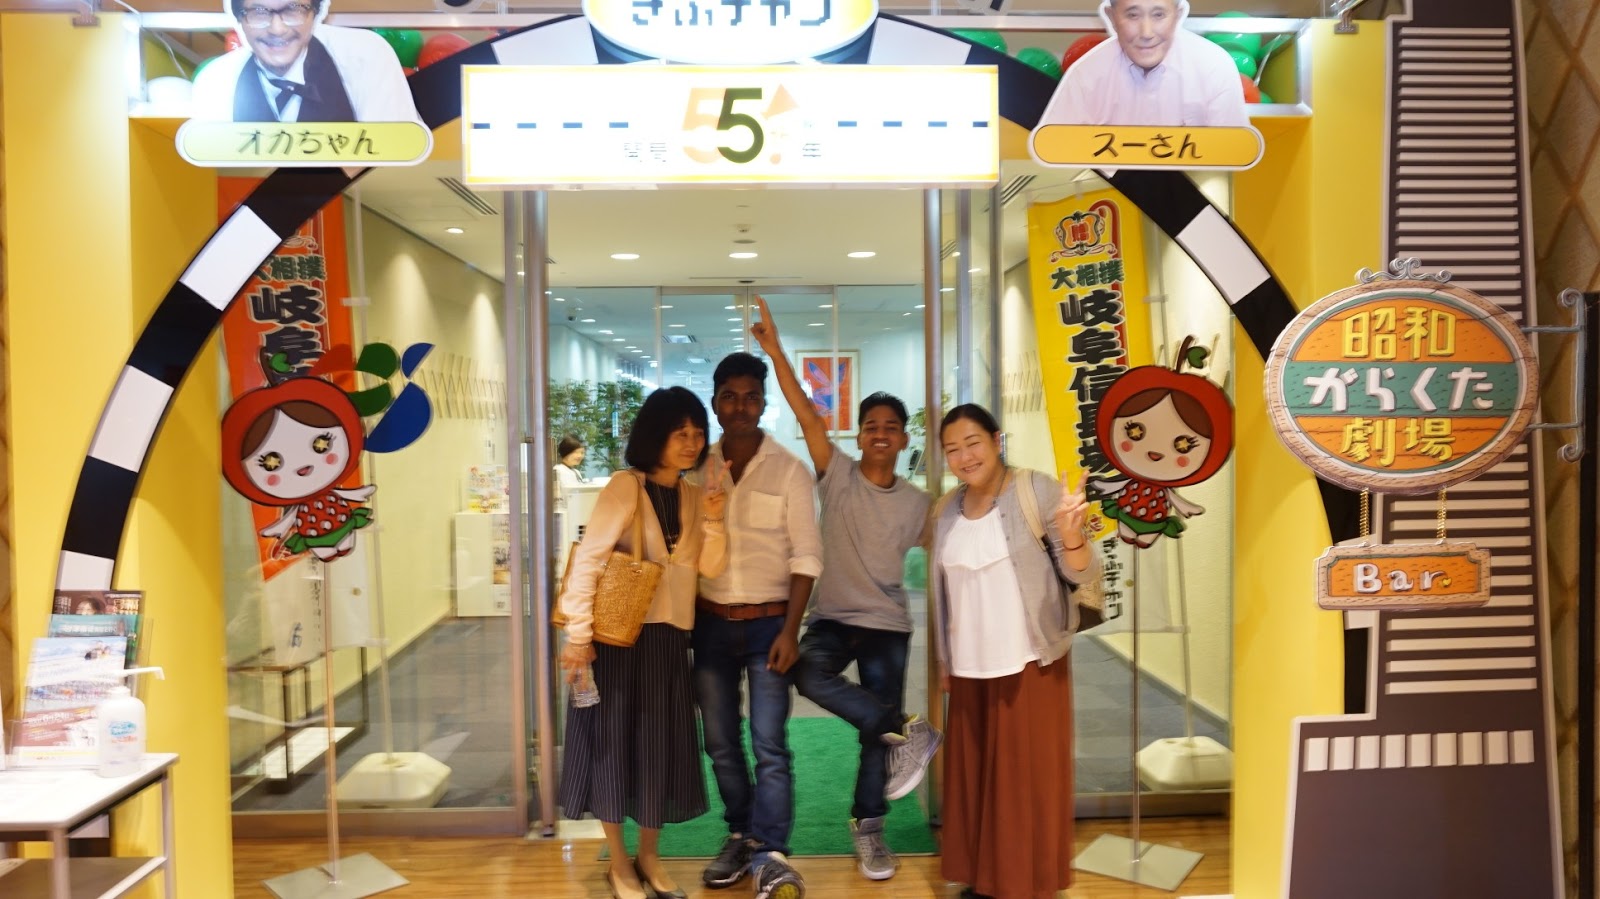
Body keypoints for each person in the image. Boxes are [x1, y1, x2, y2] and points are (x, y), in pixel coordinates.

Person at [747, 297, 940, 883]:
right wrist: (775, 351)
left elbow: (956, 550)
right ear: (859, 433)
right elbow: (806, 413)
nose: (880, 434)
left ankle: (870, 828)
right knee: (805, 673)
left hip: (886, 624)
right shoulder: (836, 474)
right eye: (871, 426)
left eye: (890, 428)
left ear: (903, 439)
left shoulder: (919, 504)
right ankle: (908, 726)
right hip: (830, 618)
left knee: (874, 738)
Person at [556, 387, 730, 899]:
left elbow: (711, 567)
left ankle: (649, 857)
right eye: (680, 433)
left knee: (659, 749)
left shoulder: (694, 496)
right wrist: (578, 636)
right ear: (656, 435)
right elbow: (589, 560)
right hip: (617, 641)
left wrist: (715, 515)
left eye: (697, 433)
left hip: (669, 641)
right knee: (613, 747)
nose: (691, 442)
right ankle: (619, 864)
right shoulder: (625, 486)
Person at [931, 404, 1099, 899]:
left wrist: (1073, 535)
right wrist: (944, 662)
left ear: (996, 440)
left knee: (1025, 779)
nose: (965, 457)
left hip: (1029, 662)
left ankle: (1028, 883)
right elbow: (944, 596)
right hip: (969, 666)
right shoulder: (944, 509)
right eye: (952, 449)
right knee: (976, 779)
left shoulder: (1036, 489)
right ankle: (985, 880)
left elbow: (1083, 573)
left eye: (973, 443)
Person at [695, 352, 823, 899]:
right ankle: (740, 833)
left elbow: (807, 556)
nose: (740, 406)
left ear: (764, 403)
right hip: (709, 626)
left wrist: (791, 631)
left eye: (751, 396)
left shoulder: (790, 470)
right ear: (715, 403)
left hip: (771, 624)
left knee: (770, 744)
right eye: (730, 396)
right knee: (720, 742)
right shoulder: (696, 469)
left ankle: (770, 848)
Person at [191, 0, 420, 123]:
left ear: (315, 13)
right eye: (259, 12)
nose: (277, 29)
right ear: (239, 18)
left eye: (294, 10)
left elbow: (394, 156)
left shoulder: (366, 59)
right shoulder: (217, 81)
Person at [1041, 0, 1250, 129]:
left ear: (1177, 15)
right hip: (1108, 187)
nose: (1146, 33)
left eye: (1159, 15)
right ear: (1112, 17)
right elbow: (1056, 149)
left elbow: (1231, 153)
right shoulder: (1086, 75)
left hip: (1192, 186)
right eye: (1133, 15)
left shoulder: (1213, 67)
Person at [553, 434, 589, 513]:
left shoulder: (576, 472)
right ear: (566, 452)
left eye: (582, 452)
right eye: (576, 452)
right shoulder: (557, 471)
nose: (580, 456)